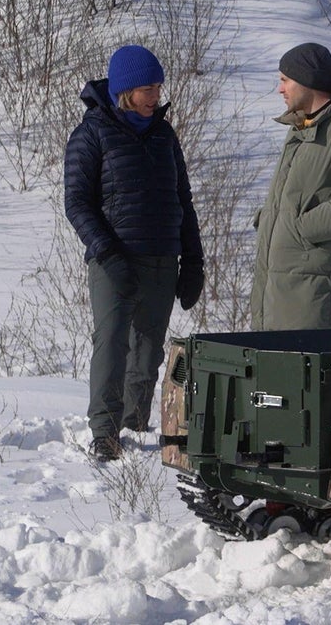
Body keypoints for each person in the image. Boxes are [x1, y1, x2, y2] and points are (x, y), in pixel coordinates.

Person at [64, 45, 204, 461]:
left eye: (159, 87)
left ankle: (135, 426)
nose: (156, 96)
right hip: (114, 259)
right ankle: (105, 433)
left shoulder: (163, 135)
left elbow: (183, 199)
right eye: (148, 89)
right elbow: (77, 203)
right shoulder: (92, 133)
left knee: (147, 351)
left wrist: (193, 260)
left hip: (162, 258)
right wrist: (107, 253)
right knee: (111, 345)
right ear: (126, 91)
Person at [250, 42, 331, 330]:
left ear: (306, 80)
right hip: (282, 286)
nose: (280, 89)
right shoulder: (302, 126)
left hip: (319, 290)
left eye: (285, 80)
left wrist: (302, 229)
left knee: (302, 360)